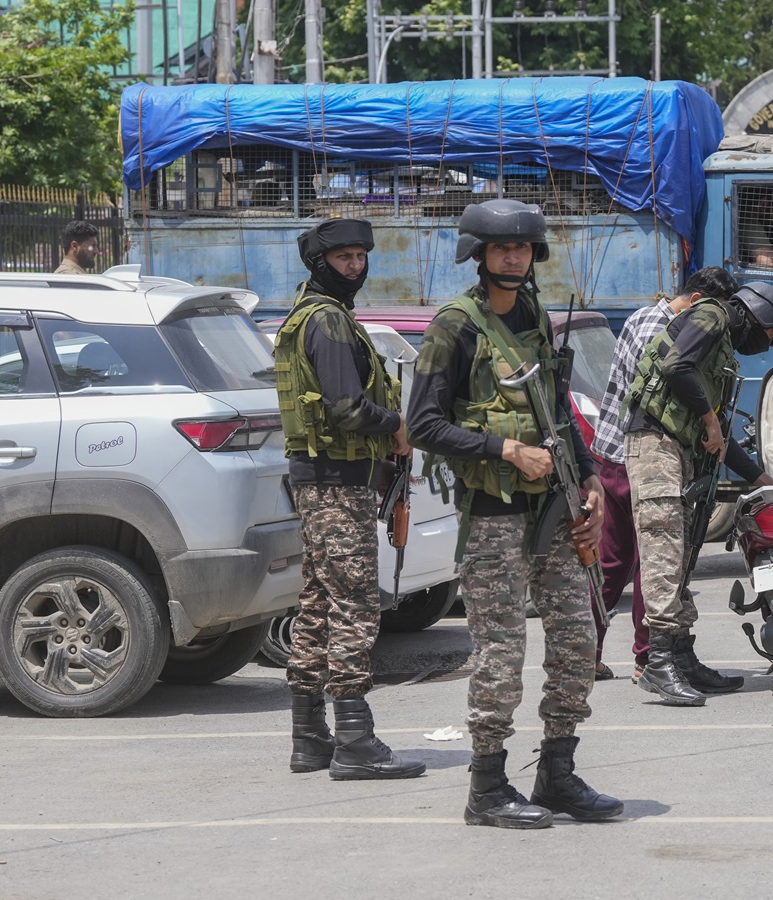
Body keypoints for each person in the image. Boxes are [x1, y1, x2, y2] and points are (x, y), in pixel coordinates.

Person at [407, 199, 622, 829]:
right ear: (478, 254)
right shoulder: (455, 326)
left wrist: (589, 482)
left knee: (579, 642)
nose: (513, 257)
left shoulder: (533, 315)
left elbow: (556, 407)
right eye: (502, 248)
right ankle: (488, 786)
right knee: (500, 656)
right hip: (494, 512)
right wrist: (503, 448)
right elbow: (422, 424)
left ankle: (557, 771)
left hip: (553, 508)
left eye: (523, 248)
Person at [273, 217, 424, 781]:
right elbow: (345, 407)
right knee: (356, 605)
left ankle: (310, 739)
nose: (355, 267)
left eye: (361, 256)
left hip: (323, 479)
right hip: (335, 481)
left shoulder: (313, 313)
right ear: (320, 262)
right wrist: (398, 425)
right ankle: (355, 740)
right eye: (344, 259)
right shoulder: (330, 322)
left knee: (317, 605)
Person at [626, 281, 773, 706]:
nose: (767, 346)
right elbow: (677, 366)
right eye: (771, 336)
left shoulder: (721, 351)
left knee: (681, 555)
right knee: (664, 550)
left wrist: (762, 481)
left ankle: (681, 657)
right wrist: (711, 421)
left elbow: (720, 437)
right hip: (654, 443)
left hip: (676, 449)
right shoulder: (713, 314)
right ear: (758, 317)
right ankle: (658, 662)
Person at [590, 267, 740, 684]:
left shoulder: (641, 317)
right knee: (655, 559)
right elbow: (664, 394)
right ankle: (647, 659)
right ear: (697, 303)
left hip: (612, 454)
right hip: (640, 455)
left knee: (615, 563)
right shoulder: (667, 327)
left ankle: (587, 654)